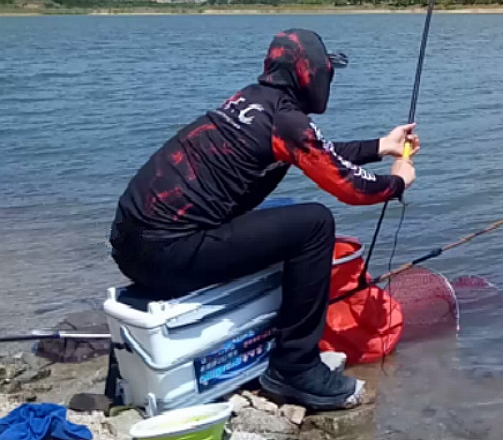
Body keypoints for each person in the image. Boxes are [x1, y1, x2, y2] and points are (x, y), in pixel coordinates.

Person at [108, 28, 418, 410]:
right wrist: (397, 181)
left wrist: (381, 146)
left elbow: (314, 151)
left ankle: (269, 337)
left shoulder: (251, 101)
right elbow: (353, 189)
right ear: (309, 76)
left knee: (286, 212)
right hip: (165, 253)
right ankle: (295, 366)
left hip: (133, 247)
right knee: (315, 224)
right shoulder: (285, 120)